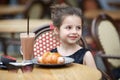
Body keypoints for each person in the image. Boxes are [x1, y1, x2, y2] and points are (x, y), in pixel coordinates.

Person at [50, 4, 97, 69]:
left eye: (78, 27)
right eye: (69, 27)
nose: (74, 32)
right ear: (57, 30)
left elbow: (95, 77)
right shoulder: (52, 54)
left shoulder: (86, 55)